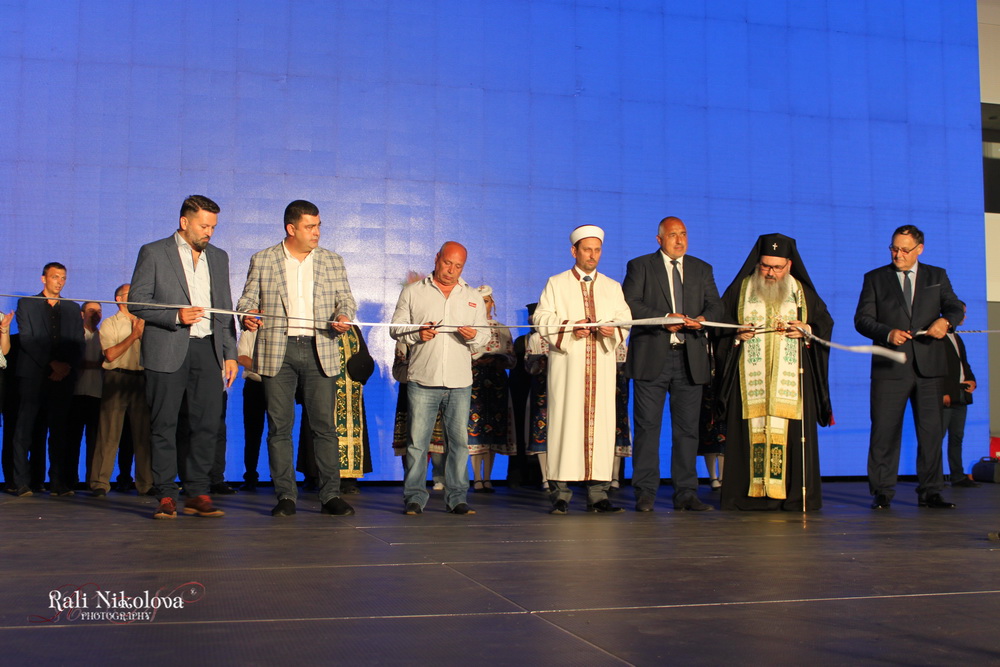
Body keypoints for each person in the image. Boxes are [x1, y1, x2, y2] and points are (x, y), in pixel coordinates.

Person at [238, 199, 358, 518]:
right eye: (310, 226)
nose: (316, 232)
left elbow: (346, 300)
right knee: (279, 427)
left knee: (324, 428)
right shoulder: (263, 259)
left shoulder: (332, 260)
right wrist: (248, 314)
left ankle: (330, 494)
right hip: (278, 350)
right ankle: (286, 496)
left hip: (321, 347)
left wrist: (343, 315)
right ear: (291, 228)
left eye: (318, 226)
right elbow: (247, 299)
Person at [129, 195, 239, 519]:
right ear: (184, 222)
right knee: (164, 423)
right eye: (204, 226)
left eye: (213, 227)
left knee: (207, 423)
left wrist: (230, 353)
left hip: (207, 349)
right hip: (167, 347)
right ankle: (166, 493)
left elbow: (224, 309)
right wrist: (175, 315)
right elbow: (137, 301)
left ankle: (197, 492)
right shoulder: (153, 252)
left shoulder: (218, 257)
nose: (209, 232)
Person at [717, 233, 833, 511]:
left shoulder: (800, 292)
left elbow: (824, 323)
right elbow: (720, 324)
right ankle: (747, 497)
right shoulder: (742, 289)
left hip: (791, 383)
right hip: (749, 382)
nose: (770, 273)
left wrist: (808, 330)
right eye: (765, 266)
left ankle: (791, 496)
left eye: (777, 267)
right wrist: (735, 335)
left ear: (789, 265)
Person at [855, 225, 964, 510]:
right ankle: (882, 491)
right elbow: (862, 320)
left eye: (904, 250)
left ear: (920, 249)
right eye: (894, 248)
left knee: (931, 433)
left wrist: (945, 322)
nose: (898, 255)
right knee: (884, 431)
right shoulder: (875, 278)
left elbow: (954, 307)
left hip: (929, 367)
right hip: (890, 367)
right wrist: (887, 333)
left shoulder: (937, 276)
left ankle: (931, 492)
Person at [622, 216, 723, 512]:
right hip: (652, 356)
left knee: (688, 430)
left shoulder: (702, 268)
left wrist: (703, 320)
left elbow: (715, 305)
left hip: (690, 358)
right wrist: (664, 319)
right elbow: (630, 303)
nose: (679, 240)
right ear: (659, 240)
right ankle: (645, 492)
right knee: (647, 427)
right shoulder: (640, 266)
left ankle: (686, 493)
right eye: (672, 235)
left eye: (683, 234)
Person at [533, 225, 631, 514]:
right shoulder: (556, 283)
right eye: (587, 250)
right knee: (566, 425)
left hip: (601, 369)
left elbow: (625, 320)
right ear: (574, 251)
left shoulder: (612, 287)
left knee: (601, 427)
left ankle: (599, 494)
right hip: (568, 369)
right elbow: (541, 317)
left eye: (597, 250)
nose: (593, 255)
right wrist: (569, 328)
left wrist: (611, 330)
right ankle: (561, 494)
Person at [389, 241, 488, 516]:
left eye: (458, 266)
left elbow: (484, 337)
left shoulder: (472, 296)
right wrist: (417, 333)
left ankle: (457, 498)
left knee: (458, 444)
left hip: (459, 382)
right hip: (423, 379)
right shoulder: (413, 292)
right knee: (417, 443)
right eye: (447, 263)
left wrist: (474, 336)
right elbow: (396, 328)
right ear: (437, 258)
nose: (451, 270)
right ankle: (414, 497)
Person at [11, 262, 85, 497]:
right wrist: (52, 363)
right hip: (33, 375)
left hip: (62, 378)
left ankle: (58, 482)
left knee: (59, 431)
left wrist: (66, 367)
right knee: (25, 430)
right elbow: (27, 339)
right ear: (44, 279)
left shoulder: (72, 308)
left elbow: (78, 341)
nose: (59, 281)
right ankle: (21, 482)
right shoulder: (27, 304)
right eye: (55, 277)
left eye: (63, 278)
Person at [89, 284, 153, 497]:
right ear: (119, 299)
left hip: (141, 378)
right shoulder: (110, 323)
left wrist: (142, 333)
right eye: (129, 294)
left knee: (143, 434)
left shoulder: (145, 322)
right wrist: (134, 335)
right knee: (109, 432)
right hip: (116, 377)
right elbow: (110, 354)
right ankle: (100, 482)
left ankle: (146, 483)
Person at [468, 285, 516, 492]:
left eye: (486, 301)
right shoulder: (468, 328)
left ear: (492, 303)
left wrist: (499, 359)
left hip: (496, 383)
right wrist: (478, 360)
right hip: (474, 382)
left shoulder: (501, 328)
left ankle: (487, 477)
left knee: (493, 430)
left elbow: (512, 359)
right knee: (474, 429)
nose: (484, 305)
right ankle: (477, 477)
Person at [68, 301, 103, 488]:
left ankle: (92, 480)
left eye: (99, 311)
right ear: (82, 314)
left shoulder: (103, 335)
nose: (96, 314)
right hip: (76, 393)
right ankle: (70, 480)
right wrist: (96, 364)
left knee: (94, 442)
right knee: (72, 440)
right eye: (91, 311)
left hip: (98, 394)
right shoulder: (75, 334)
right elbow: (74, 362)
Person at [942, 313, 978, 487]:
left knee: (957, 437)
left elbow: (964, 363)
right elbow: (935, 367)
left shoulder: (957, 337)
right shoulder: (937, 338)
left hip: (961, 395)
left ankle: (957, 475)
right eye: (961, 312)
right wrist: (942, 392)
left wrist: (972, 380)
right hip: (945, 397)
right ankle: (933, 478)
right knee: (936, 438)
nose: (964, 316)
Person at [235, 328, 266, 491]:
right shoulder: (250, 329)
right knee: (252, 433)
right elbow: (242, 357)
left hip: (279, 385)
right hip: (255, 384)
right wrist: (267, 368)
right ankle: (251, 476)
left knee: (280, 433)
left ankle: (281, 477)